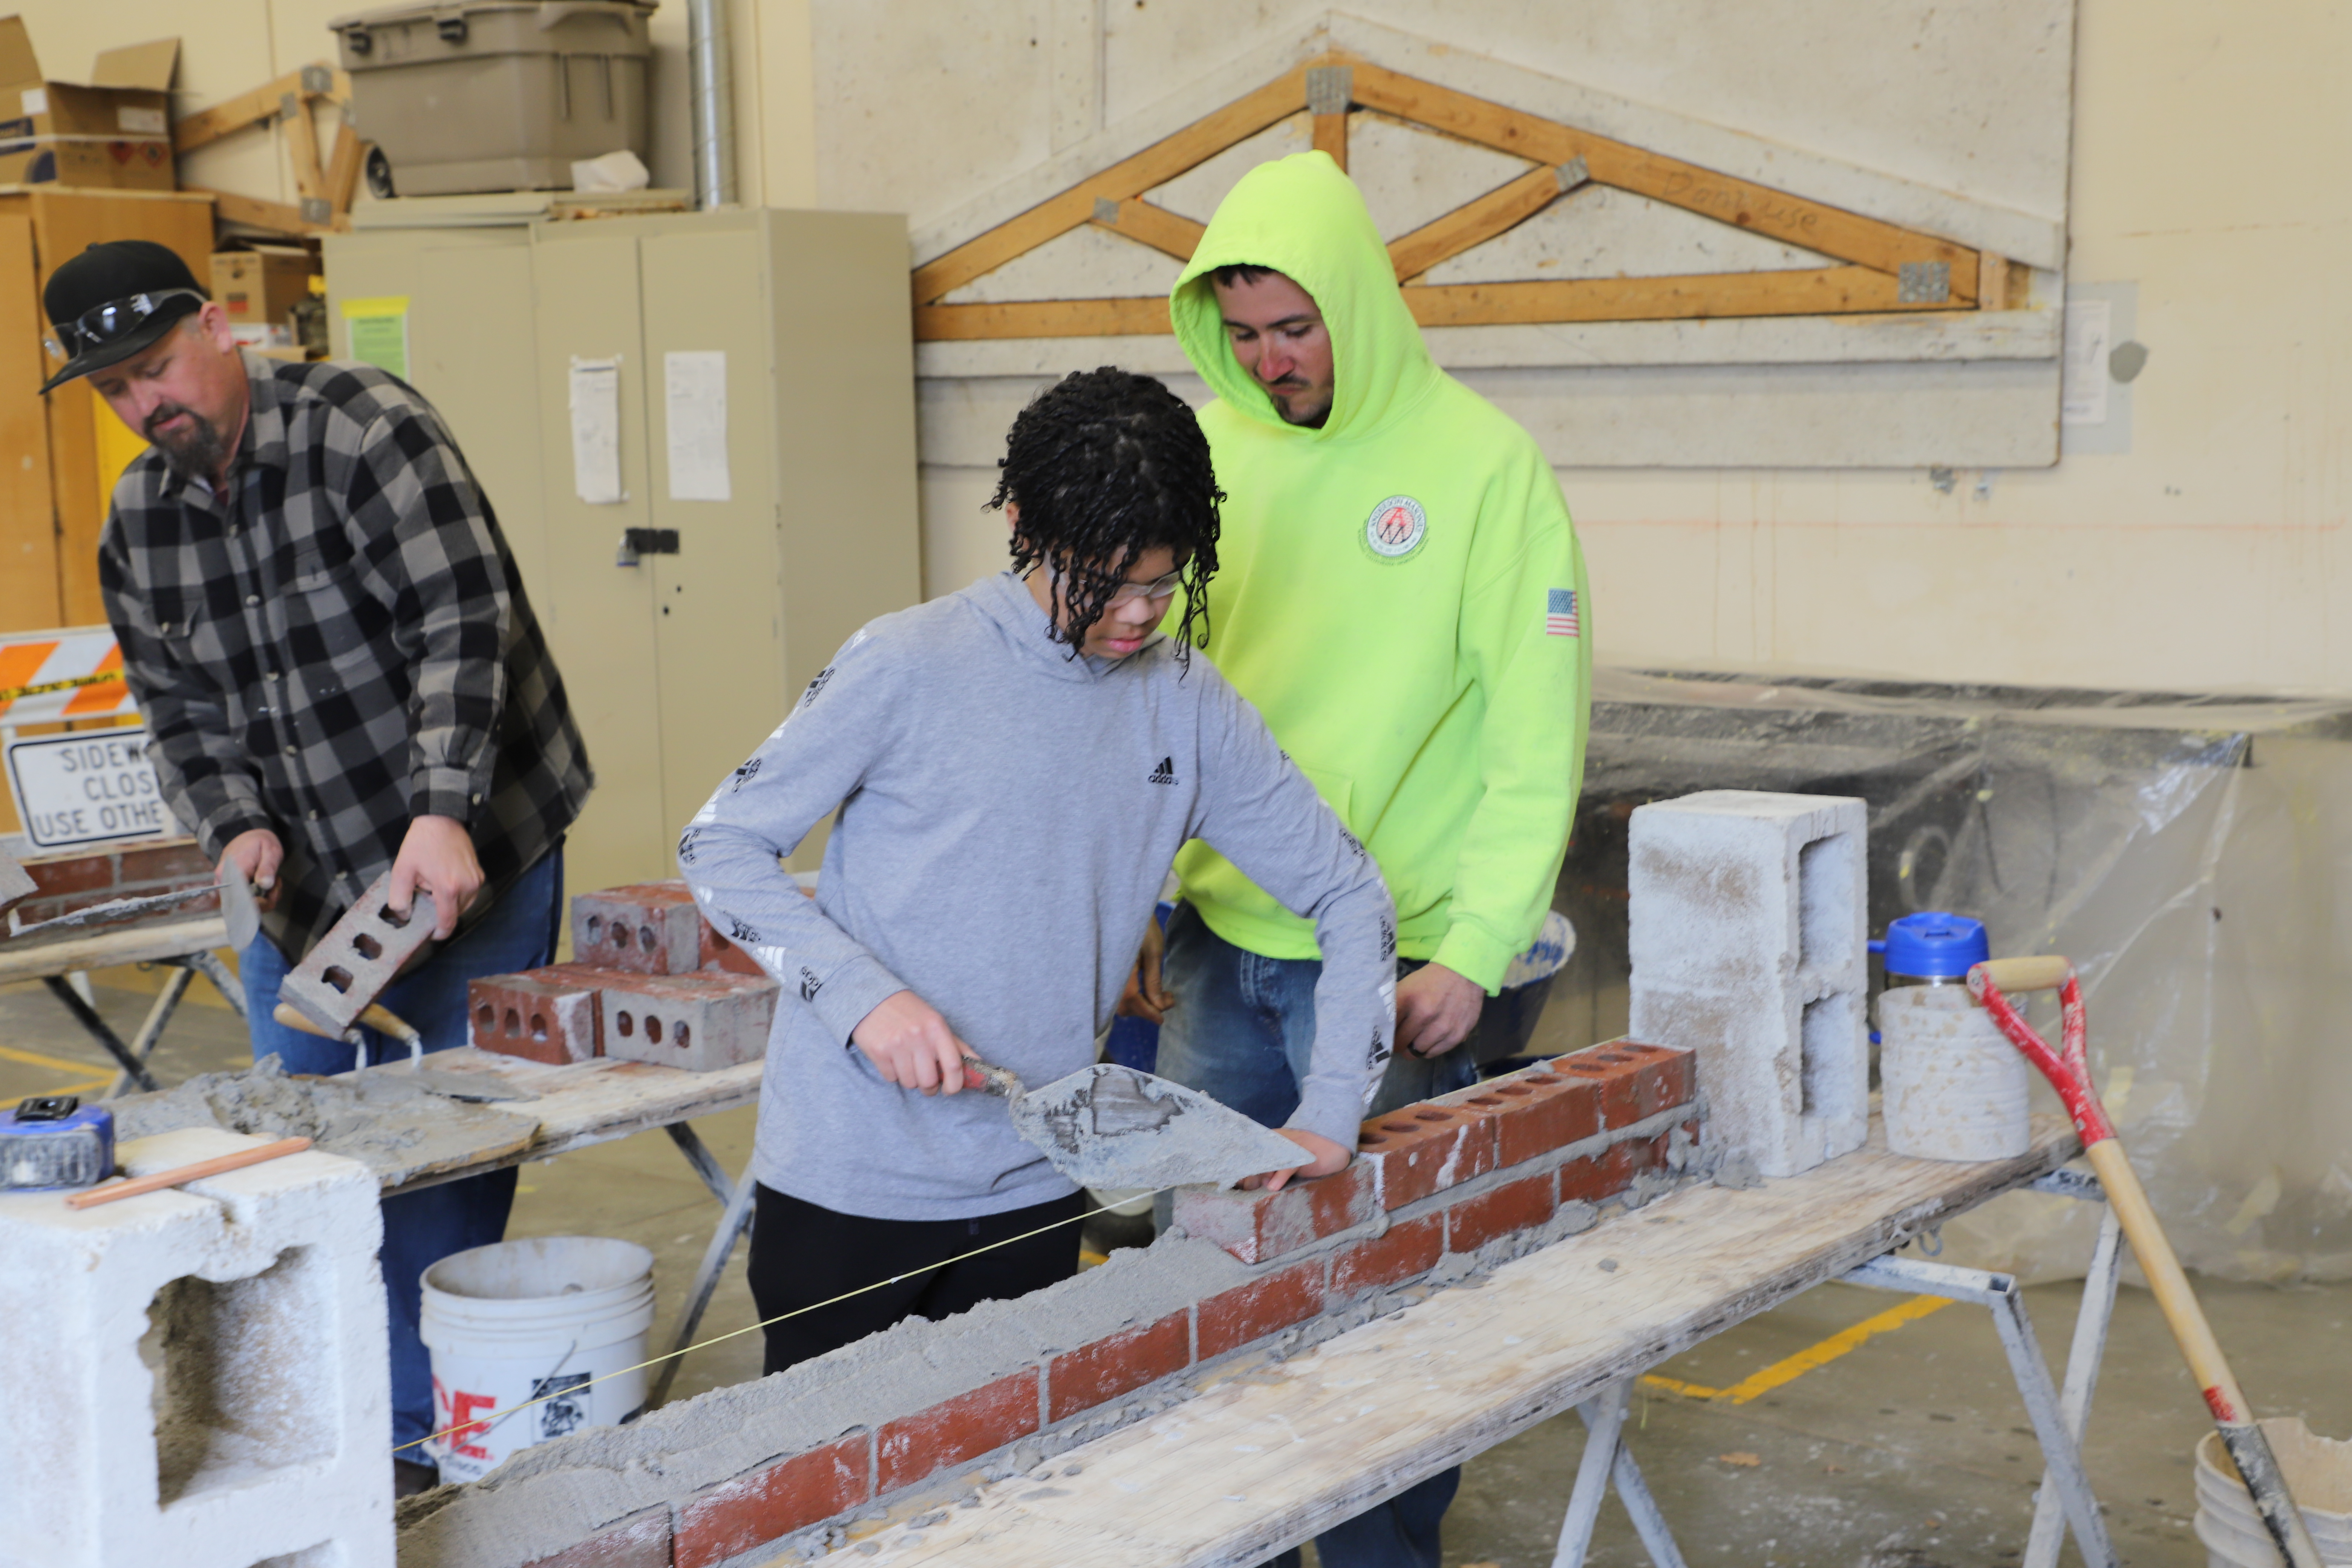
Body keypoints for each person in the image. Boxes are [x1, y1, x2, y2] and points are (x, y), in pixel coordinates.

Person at [679, 367, 1395, 1375]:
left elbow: (1351, 893)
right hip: (851, 1187)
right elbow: (717, 845)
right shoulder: (905, 663)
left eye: (1161, 582)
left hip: (1035, 1188)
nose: (1138, 615)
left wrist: (1328, 1114)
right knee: (849, 1518)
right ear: (1020, 520)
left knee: (1009, 1500)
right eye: (1104, 582)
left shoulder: (1187, 704)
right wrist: (864, 1002)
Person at [59, 240, 593, 1493]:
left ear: (218, 327)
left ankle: (425, 1449)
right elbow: (180, 714)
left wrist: (442, 809)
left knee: (445, 1150)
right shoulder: (138, 527)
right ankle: (326, 1432)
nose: (149, 404)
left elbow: (464, 624)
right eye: (116, 391)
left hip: (468, 849)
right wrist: (232, 824)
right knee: (291, 1163)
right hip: (302, 902)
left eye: (158, 366)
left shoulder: (368, 430)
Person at [1149, 152, 1595, 1568]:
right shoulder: (1210, 458)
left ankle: (1382, 1556)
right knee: (1204, 1267)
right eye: (1245, 334)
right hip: (1226, 947)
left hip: (1396, 961)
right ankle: (1223, 1526)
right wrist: (1151, 892)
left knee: (1387, 1291)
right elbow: (1160, 686)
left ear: (1359, 305)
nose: (1273, 362)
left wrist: (1479, 947)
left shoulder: (1483, 469)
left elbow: (1540, 736)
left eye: (1297, 326)